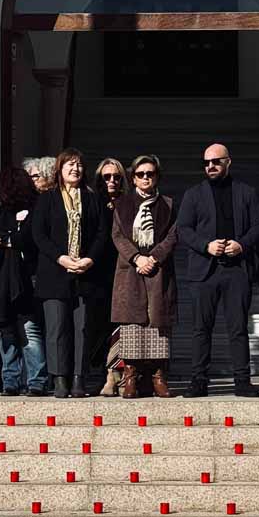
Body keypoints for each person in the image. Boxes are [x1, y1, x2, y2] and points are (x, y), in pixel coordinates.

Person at [176, 143, 259, 398]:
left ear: (228, 162)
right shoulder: (194, 194)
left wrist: (242, 245)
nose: (211, 166)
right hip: (204, 271)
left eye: (216, 161)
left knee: (238, 329)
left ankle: (242, 381)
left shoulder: (246, 192)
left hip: (237, 269)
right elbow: (183, 229)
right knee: (200, 329)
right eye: (206, 163)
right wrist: (206, 245)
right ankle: (198, 381)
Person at [32, 148, 109, 398]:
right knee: (57, 328)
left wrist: (89, 259)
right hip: (55, 273)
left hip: (86, 274)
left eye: (79, 165)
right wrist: (61, 258)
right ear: (60, 170)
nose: (75, 169)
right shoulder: (47, 198)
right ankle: (59, 378)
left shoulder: (92, 198)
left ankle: (78, 377)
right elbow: (39, 234)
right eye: (70, 165)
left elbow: (102, 233)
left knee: (82, 328)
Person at [110, 155, 178, 398]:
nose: (146, 178)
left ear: (157, 176)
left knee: (158, 326)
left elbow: (172, 235)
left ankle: (158, 376)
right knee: (132, 325)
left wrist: (154, 258)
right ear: (133, 178)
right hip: (131, 271)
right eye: (141, 174)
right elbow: (117, 236)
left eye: (150, 173)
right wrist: (137, 257)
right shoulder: (122, 204)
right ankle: (130, 376)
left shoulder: (168, 204)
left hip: (158, 271)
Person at [0, 168, 47, 396]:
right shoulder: (0, 211)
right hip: (3, 280)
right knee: (8, 330)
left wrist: (1, 239)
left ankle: (34, 380)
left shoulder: (35, 209)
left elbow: (27, 238)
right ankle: (13, 381)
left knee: (25, 329)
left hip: (22, 278)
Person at [91, 158, 126, 396]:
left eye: (116, 177)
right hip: (98, 273)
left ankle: (118, 376)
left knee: (122, 327)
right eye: (106, 177)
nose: (111, 181)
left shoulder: (129, 202)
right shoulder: (92, 202)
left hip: (124, 270)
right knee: (100, 327)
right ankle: (105, 375)